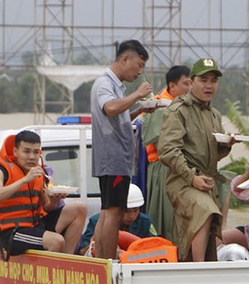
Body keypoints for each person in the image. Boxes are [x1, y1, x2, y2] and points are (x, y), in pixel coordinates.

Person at [158, 57, 232, 262]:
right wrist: (192, 178)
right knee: (205, 211)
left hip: (206, 181)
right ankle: (199, 270)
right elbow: (168, 150)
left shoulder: (215, 115)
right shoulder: (177, 111)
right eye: (204, 80)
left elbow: (212, 154)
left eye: (214, 81)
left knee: (204, 229)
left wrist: (225, 148)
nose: (209, 85)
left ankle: (195, 267)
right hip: (182, 181)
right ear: (191, 83)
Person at [90, 40, 153, 259]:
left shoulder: (117, 85)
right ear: (125, 59)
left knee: (109, 210)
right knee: (114, 212)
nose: (140, 71)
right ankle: (107, 261)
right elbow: (110, 108)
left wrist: (140, 109)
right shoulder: (105, 83)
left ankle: (101, 259)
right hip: (113, 156)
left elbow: (120, 116)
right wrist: (137, 95)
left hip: (118, 158)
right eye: (139, 65)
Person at [0, 130, 66, 256]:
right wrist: (24, 180)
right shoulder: (0, 170)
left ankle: (69, 266)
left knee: (78, 209)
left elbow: (46, 207)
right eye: (26, 151)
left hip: (34, 226)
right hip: (11, 233)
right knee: (57, 241)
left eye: (36, 152)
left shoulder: (39, 173)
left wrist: (54, 200)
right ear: (16, 151)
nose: (32, 157)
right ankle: (52, 273)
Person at [142, 65, 192, 238]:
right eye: (186, 83)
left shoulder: (187, 106)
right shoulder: (158, 106)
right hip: (163, 168)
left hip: (183, 167)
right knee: (166, 219)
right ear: (172, 86)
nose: (190, 88)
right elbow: (161, 142)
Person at [77, 185, 157, 255]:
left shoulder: (144, 222)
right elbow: (83, 251)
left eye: (135, 210)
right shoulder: (97, 221)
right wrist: (95, 243)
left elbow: (156, 247)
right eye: (126, 211)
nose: (132, 216)